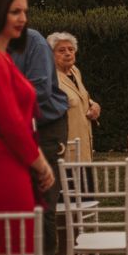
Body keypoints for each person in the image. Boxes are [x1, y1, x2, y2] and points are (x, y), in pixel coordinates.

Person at [0, 0, 55, 255]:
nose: (22, 18)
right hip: (3, 165)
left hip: (13, 162)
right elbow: (11, 123)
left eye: (25, 12)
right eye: (15, 11)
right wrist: (41, 163)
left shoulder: (3, 56)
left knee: (17, 252)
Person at [11, 25, 68, 255]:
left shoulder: (33, 42)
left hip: (46, 124)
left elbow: (38, 91)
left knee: (43, 196)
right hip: (10, 124)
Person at [46, 32, 101, 163]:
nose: (68, 53)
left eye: (71, 49)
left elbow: (81, 97)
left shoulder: (75, 71)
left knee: (85, 183)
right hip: (65, 151)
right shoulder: (49, 78)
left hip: (84, 148)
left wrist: (94, 105)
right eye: (61, 50)